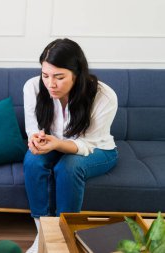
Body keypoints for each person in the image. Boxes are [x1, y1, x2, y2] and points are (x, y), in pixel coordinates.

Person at [23, 38, 118, 253]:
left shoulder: (104, 96)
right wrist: (35, 139)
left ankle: (65, 233)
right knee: (32, 161)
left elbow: (87, 144)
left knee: (68, 167)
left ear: (77, 74)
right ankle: (43, 234)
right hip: (54, 144)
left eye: (59, 77)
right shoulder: (32, 87)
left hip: (97, 148)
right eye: (45, 75)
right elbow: (32, 127)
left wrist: (58, 144)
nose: (50, 84)